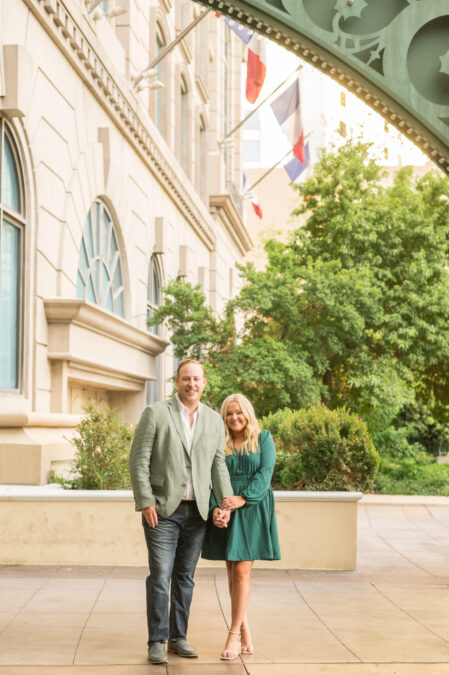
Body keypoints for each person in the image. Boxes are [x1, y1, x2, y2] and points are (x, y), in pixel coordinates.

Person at [128, 359, 233, 665]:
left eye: (197, 379)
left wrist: (224, 503)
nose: (192, 384)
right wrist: (145, 500)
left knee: (185, 576)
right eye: (186, 379)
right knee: (161, 575)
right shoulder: (156, 413)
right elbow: (138, 460)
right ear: (177, 381)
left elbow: (217, 465)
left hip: (198, 512)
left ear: (204, 382)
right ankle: (157, 640)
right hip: (161, 511)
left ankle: (178, 637)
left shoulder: (214, 420)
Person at [202, 393, 281, 660]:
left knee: (241, 572)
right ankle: (245, 628)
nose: (234, 417)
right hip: (226, 507)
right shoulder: (218, 441)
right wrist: (217, 507)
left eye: (239, 412)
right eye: (229, 413)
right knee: (232, 572)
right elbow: (210, 477)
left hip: (252, 507)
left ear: (248, 413)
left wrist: (243, 498)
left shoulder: (264, 438)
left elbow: (265, 473)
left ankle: (233, 634)